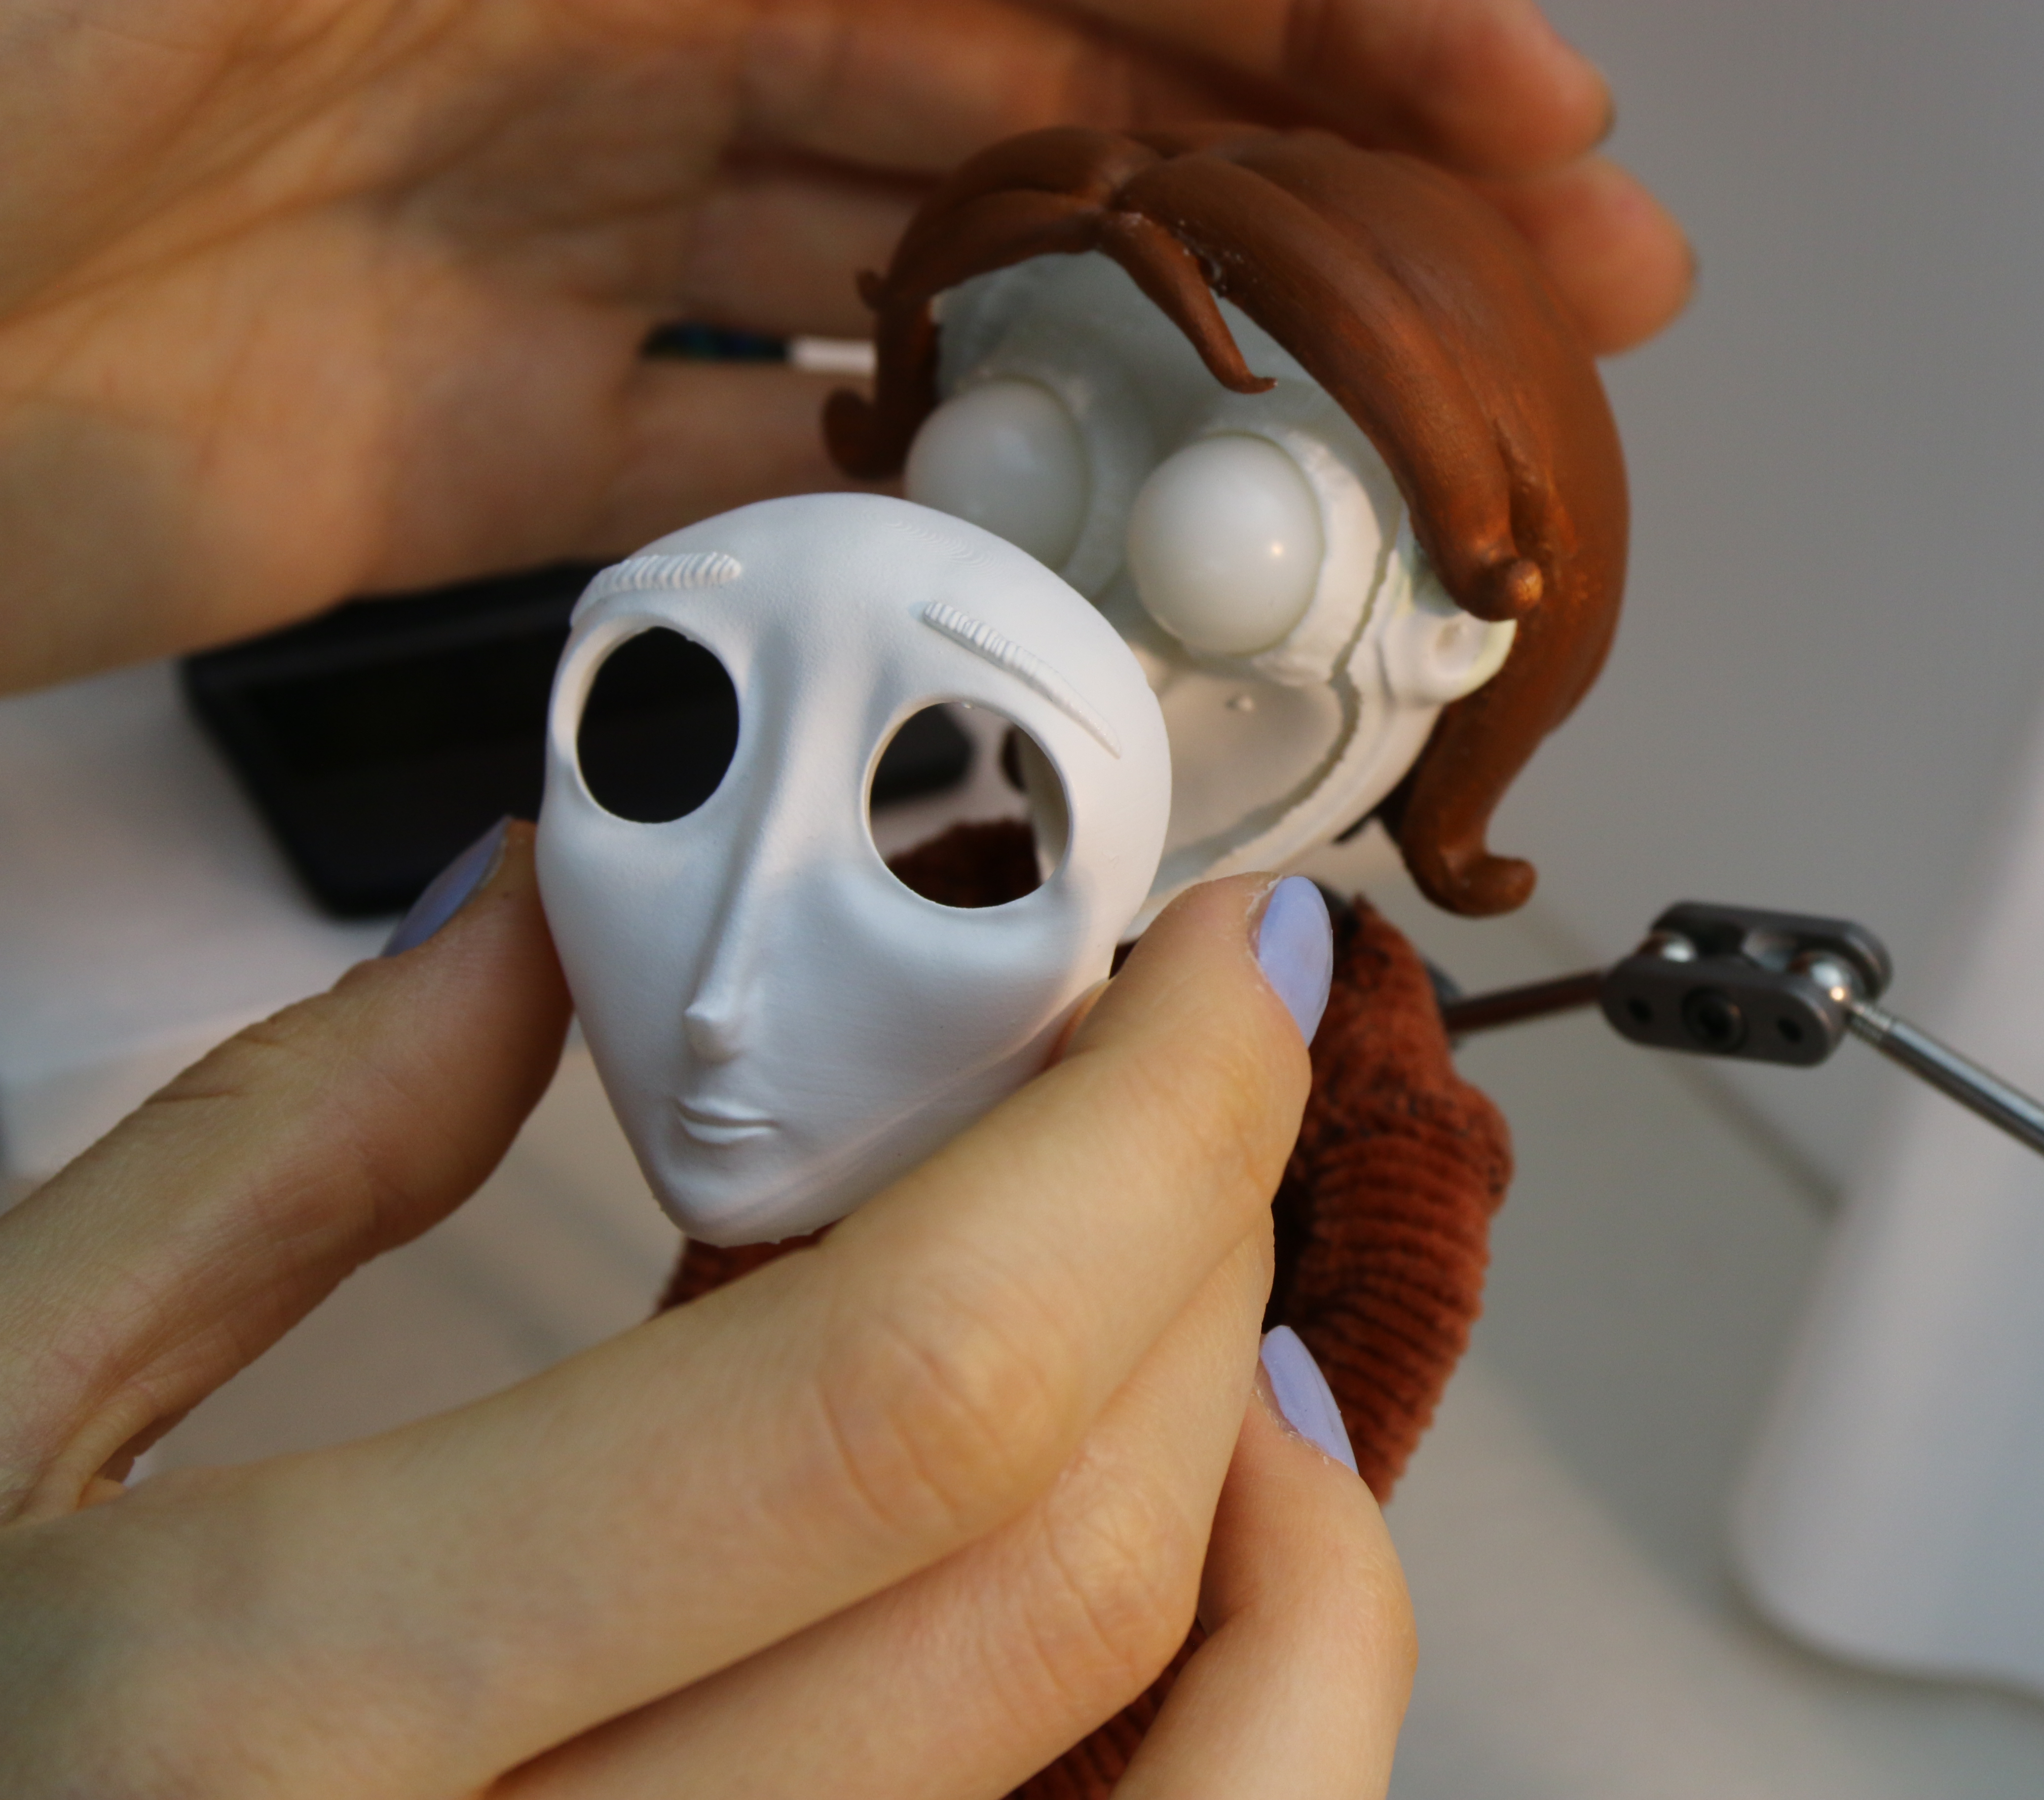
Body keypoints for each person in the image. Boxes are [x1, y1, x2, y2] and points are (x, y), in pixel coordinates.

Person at [0, 0, 1690, 1790]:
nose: (1085, 619)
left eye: (1238, 551)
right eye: (1016, 452)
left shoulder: (1356, 1096)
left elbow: (1296, 1487)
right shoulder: (929, 866)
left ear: (1456, 644)